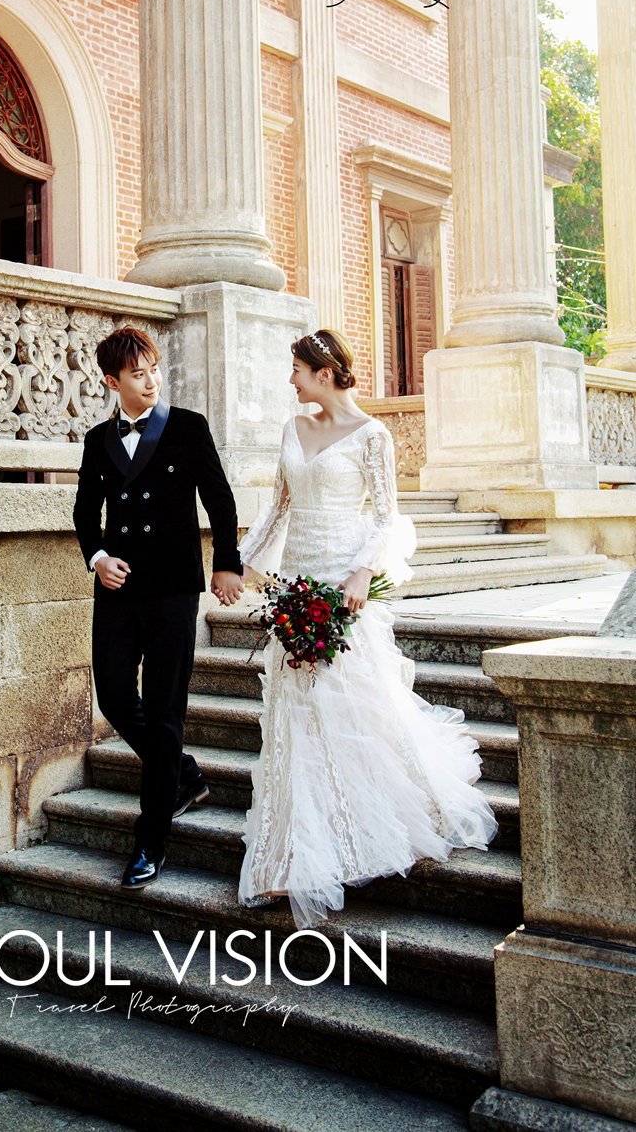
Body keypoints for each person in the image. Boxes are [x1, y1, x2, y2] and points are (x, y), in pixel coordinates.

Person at [238, 328, 497, 927]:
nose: (291, 380)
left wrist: (361, 572)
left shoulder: (372, 435)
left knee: (352, 705)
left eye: (297, 369)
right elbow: (278, 505)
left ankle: (369, 825)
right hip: (295, 583)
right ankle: (290, 852)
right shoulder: (293, 429)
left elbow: (386, 517)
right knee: (294, 712)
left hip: (343, 587)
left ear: (325, 373)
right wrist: (241, 561)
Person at [73, 326, 245, 889]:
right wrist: (98, 557)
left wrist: (227, 563)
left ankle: (151, 841)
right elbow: (84, 512)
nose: (150, 382)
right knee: (114, 695)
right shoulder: (97, 440)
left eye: (154, 371)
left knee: (164, 708)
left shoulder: (188, 427)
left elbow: (220, 500)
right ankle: (182, 773)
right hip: (118, 587)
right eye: (137, 374)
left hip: (173, 588)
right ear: (112, 382)